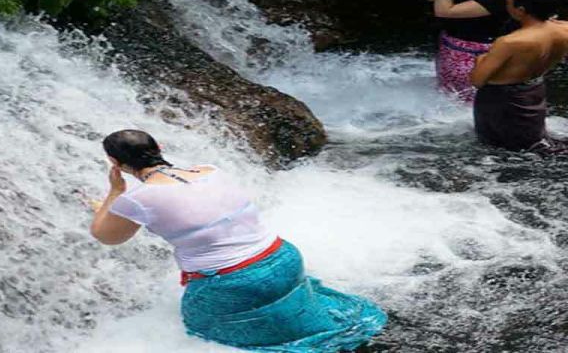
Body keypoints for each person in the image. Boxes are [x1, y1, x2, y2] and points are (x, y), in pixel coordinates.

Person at [89, 129, 387, 351]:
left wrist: (115, 193)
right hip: (284, 259)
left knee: (207, 338)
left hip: (232, 283)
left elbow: (105, 236)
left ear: (115, 162)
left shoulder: (136, 199)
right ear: (159, 147)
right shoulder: (209, 170)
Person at [470, 0, 568, 152]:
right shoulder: (565, 28)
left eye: (509, 2)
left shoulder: (510, 42)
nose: (506, 4)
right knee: (532, 142)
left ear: (521, 10)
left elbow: (477, 81)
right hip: (534, 89)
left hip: (501, 98)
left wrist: (480, 59)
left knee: (500, 148)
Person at [425, 0, 524, 102]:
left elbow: (443, 11)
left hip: (472, 55)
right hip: (451, 50)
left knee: (468, 99)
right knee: (449, 95)